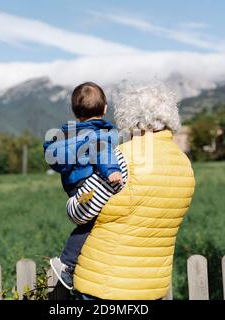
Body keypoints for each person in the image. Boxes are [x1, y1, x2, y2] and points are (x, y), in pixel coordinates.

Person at [73, 82, 196, 300]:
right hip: (152, 287)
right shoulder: (184, 164)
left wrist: (74, 200)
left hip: (106, 284)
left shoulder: (122, 157)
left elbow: (80, 212)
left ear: (130, 116)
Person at [43, 82, 128, 289]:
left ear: (74, 111)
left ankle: (74, 262)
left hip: (73, 187)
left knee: (87, 223)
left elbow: (55, 160)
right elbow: (103, 151)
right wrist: (112, 171)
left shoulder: (66, 136)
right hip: (88, 184)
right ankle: (66, 263)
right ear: (105, 108)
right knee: (92, 223)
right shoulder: (99, 135)